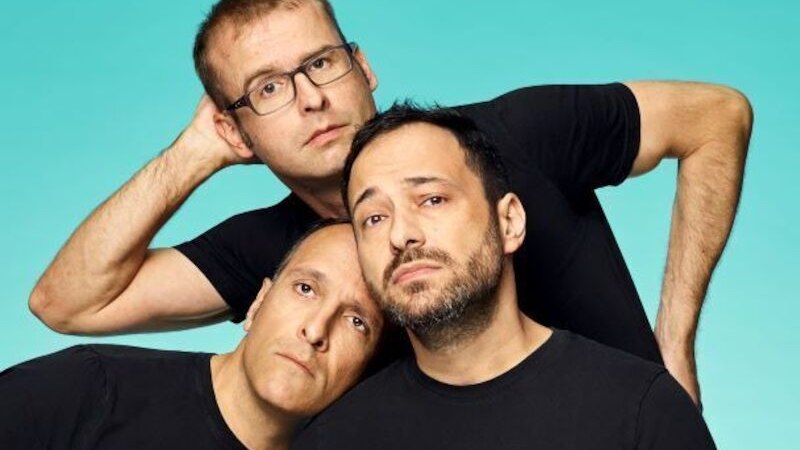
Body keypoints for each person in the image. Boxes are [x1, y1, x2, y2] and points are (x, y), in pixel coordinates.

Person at [29, 0, 753, 405]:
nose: (312, 97)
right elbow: (68, 303)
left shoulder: (513, 136)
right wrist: (195, 152)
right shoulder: (278, 252)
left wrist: (675, 342)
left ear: (361, 65)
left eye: (320, 62)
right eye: (268, 89)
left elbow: (716, 115)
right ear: (235, 123)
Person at [292, 104, 716, 450]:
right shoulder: (333, 439)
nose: (401, 234)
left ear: (509, 221)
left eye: (433, 199)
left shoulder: (641, 408)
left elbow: (715, 116)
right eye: (374, 217)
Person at [2, 221, 384, 450]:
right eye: (305, 289)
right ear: (258, 303)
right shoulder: (86, 388)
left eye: (356, 321)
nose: (316, 330)